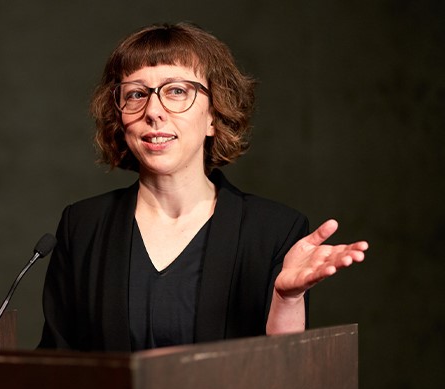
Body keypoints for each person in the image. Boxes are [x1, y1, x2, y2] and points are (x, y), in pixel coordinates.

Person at [37, 22, 368, 352]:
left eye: (177, 91)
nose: (153, 111)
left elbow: (283, 376)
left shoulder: (273, 231)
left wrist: (288, 300)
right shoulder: (83, 227)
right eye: (136, 94)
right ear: (120, 119)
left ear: (214, 114)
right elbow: (55, 370)